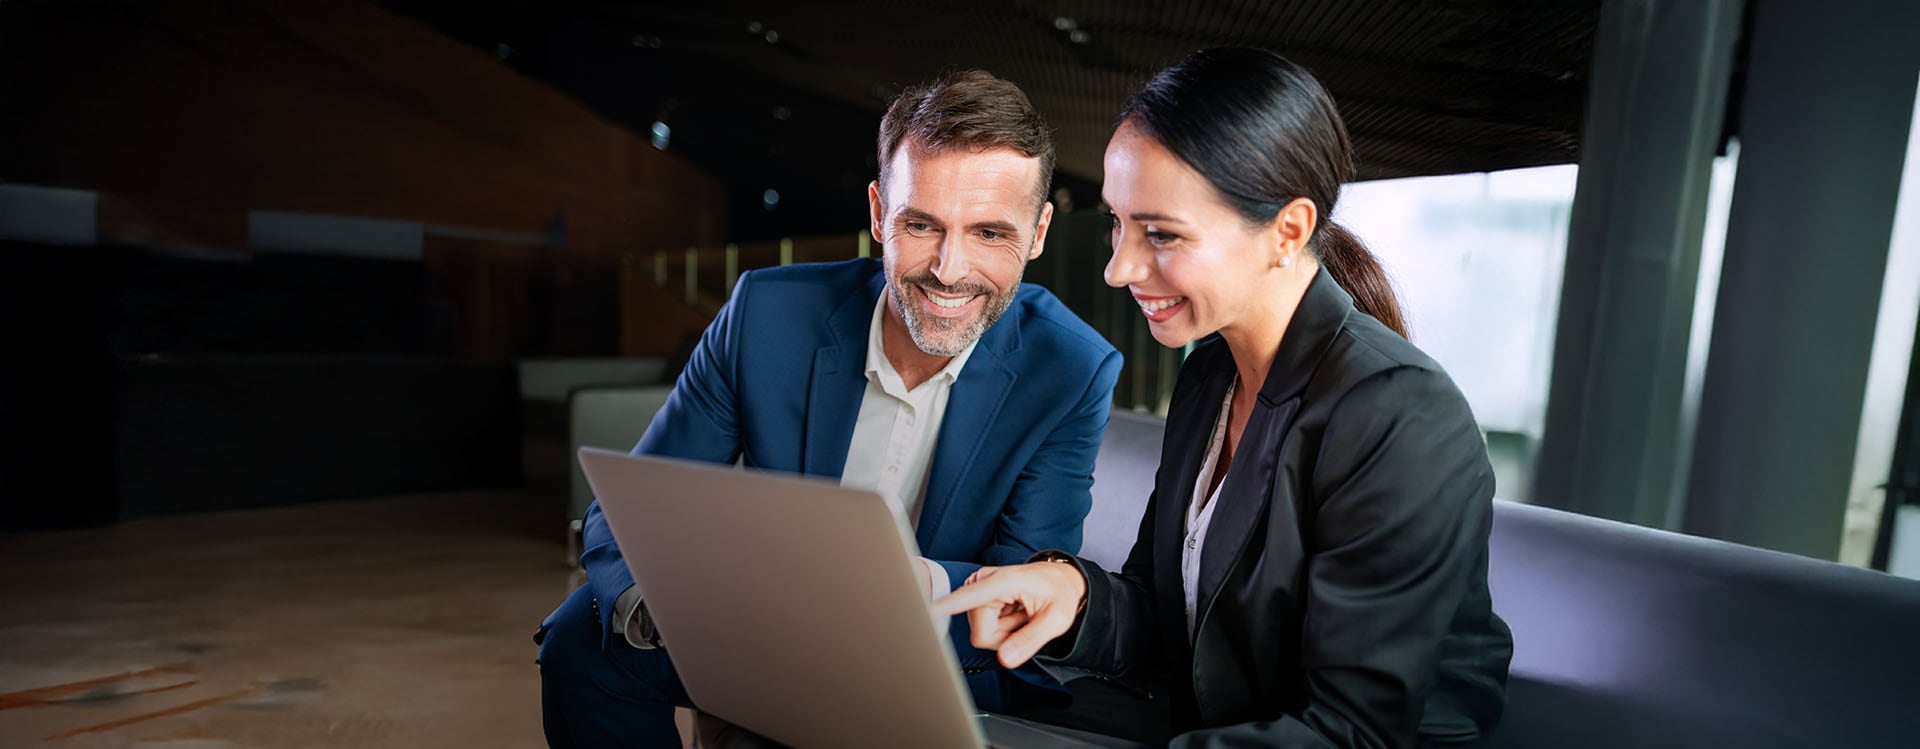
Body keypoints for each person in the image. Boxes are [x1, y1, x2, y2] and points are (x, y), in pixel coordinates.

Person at [934, 47, 1514, 748]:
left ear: (1289, 230)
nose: (1120, 268)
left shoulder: (1400, 414)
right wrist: (1075, 599)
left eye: (1161, 234)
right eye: (1117, 224)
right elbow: (1170, 617)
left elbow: (1355, 731)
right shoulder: (1213, 372)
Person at [535, 69, 1123, 748]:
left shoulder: (1074, 368)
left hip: (934, 641)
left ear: (1040, 229)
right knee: (580, 640)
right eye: (921, 223)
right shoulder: (766, 313)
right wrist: (673, 613)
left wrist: (887, 590)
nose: (949, 268)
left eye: (991, 232)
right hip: (755, 616)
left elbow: (1019, 584)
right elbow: (629, 511)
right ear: (879, 213)